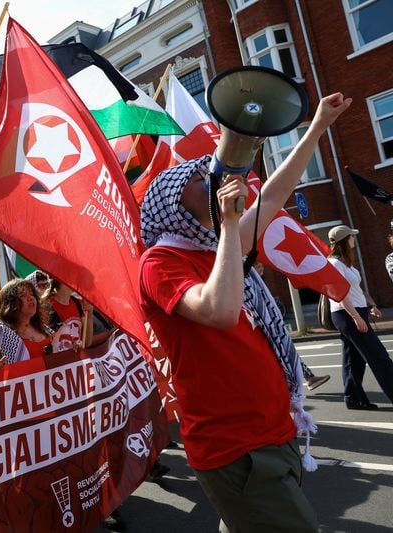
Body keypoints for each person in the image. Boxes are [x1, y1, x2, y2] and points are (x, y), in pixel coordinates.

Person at [139, 93, 351, 532]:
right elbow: (219, 311)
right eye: (199, 181)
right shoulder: (159, 262)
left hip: (273, 432)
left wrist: (316, 127)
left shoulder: (216, 247)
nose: (212, 182)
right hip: (235, 447)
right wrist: (231, 224)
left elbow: (272, 197)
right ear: (173, 204)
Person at [327, 224, 393, 409]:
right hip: (347, 314)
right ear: (344, 240)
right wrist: (356, 316)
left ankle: (353, 399)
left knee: (353, 360)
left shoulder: (344, 263)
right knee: (378, 356)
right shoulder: (334, 264)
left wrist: (371, 305)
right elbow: (339, 293)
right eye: (351, 236)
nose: (353, 239)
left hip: (355, 311)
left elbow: (356, 289)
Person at [0, 279, 53, 371]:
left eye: (31, 294)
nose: (30, 298)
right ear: (10, 303)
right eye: (22, 295)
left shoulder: (45, 329)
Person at [43, 279, 93, 351]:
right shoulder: (47, 307)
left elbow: (87, 342)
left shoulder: (77, 303)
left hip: (75, 357)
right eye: (72, 277)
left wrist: (89, 316)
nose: (76, 280)